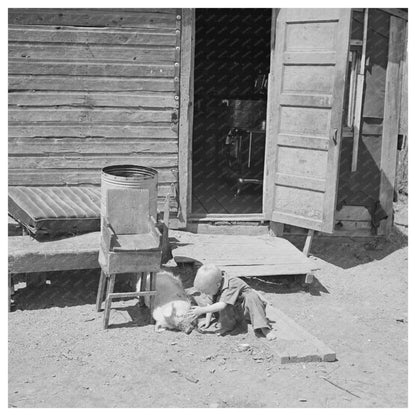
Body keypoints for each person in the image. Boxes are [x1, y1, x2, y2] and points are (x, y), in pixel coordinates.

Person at [188, 263, 276, 340]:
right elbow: (209, 303)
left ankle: (264, 328)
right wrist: (207, 321)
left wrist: (201, 310)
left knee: (251, 297)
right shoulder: (215, 284)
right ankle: (227, 325)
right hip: (236, 310)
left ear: (217, 284)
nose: (205, 293)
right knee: (219, 300)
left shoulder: (231, 284)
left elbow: (222, 305)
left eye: (206, 291)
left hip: (248, 309)